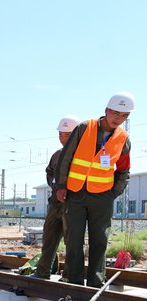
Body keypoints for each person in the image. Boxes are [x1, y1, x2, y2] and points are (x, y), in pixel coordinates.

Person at [55, 92, 134, 287]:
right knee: (74, 239)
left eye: (124, 116)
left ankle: (95, 283)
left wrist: (113, 193)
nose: (118, 118)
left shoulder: (123, 139)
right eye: (115, 113)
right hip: (75, 193)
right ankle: (74, 283)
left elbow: (123, 170)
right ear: (106, 110)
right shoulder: (84, 128)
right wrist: (61, 185)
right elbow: (66, 158)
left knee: (100, 241)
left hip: (102, 197)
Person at [30, 115, 80, 280]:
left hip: (73, 204)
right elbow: (49, 172)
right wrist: (54, 184)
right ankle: (42, 272)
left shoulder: (82, 155)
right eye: (60, 134)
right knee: (49, 238)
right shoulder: (57, 155)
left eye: (67, 135)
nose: (62, 138)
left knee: (71, 242)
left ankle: (69, 276)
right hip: (55, 204)